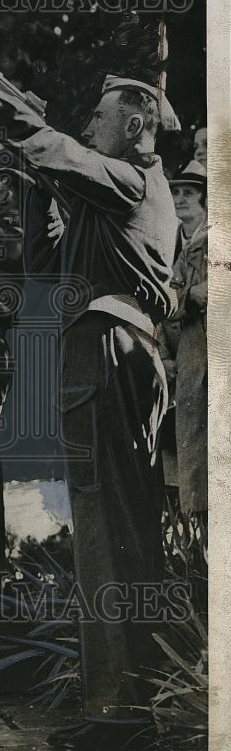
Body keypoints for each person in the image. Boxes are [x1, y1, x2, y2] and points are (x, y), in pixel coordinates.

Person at [0, 22, 179, 751]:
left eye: (98, 118)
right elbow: (43, 264)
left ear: (134, 125)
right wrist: (36, 184)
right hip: (98, 360)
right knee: (104, 537)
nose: (86, 127)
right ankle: (122, 701)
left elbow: (53, 147)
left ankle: (122, 709)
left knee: (109, 540)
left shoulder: (133, 181)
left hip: (108, 358)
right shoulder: (107, 196)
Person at [158, 160, 208, 551]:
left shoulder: (216, 241)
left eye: (188, 193)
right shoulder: (176, 243)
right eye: (175, 193)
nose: (180, 200)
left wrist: (184, 298)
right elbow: (165, 303)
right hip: (185, 363)